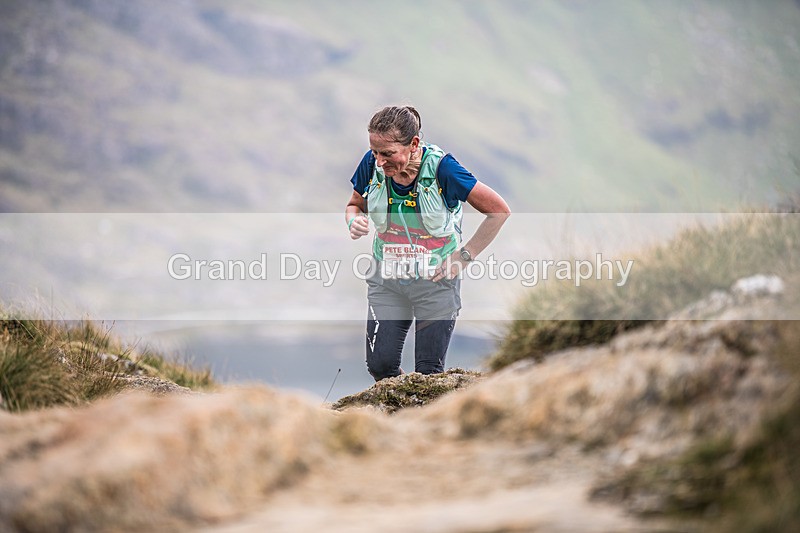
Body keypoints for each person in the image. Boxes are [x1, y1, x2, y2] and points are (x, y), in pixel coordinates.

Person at [345, 105, 510, 381]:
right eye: (375, 152)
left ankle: (425, 408)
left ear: (413, 144)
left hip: (436, 283)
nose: (380, 161)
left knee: (429, 373)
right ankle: (399, 407)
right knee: (381, 367)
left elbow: (499, 211)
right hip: (387, 280)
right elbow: (354, 204)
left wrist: (464, 257)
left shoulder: (444, 169)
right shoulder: (371, 164)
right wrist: (353, 220)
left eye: (388, 153)